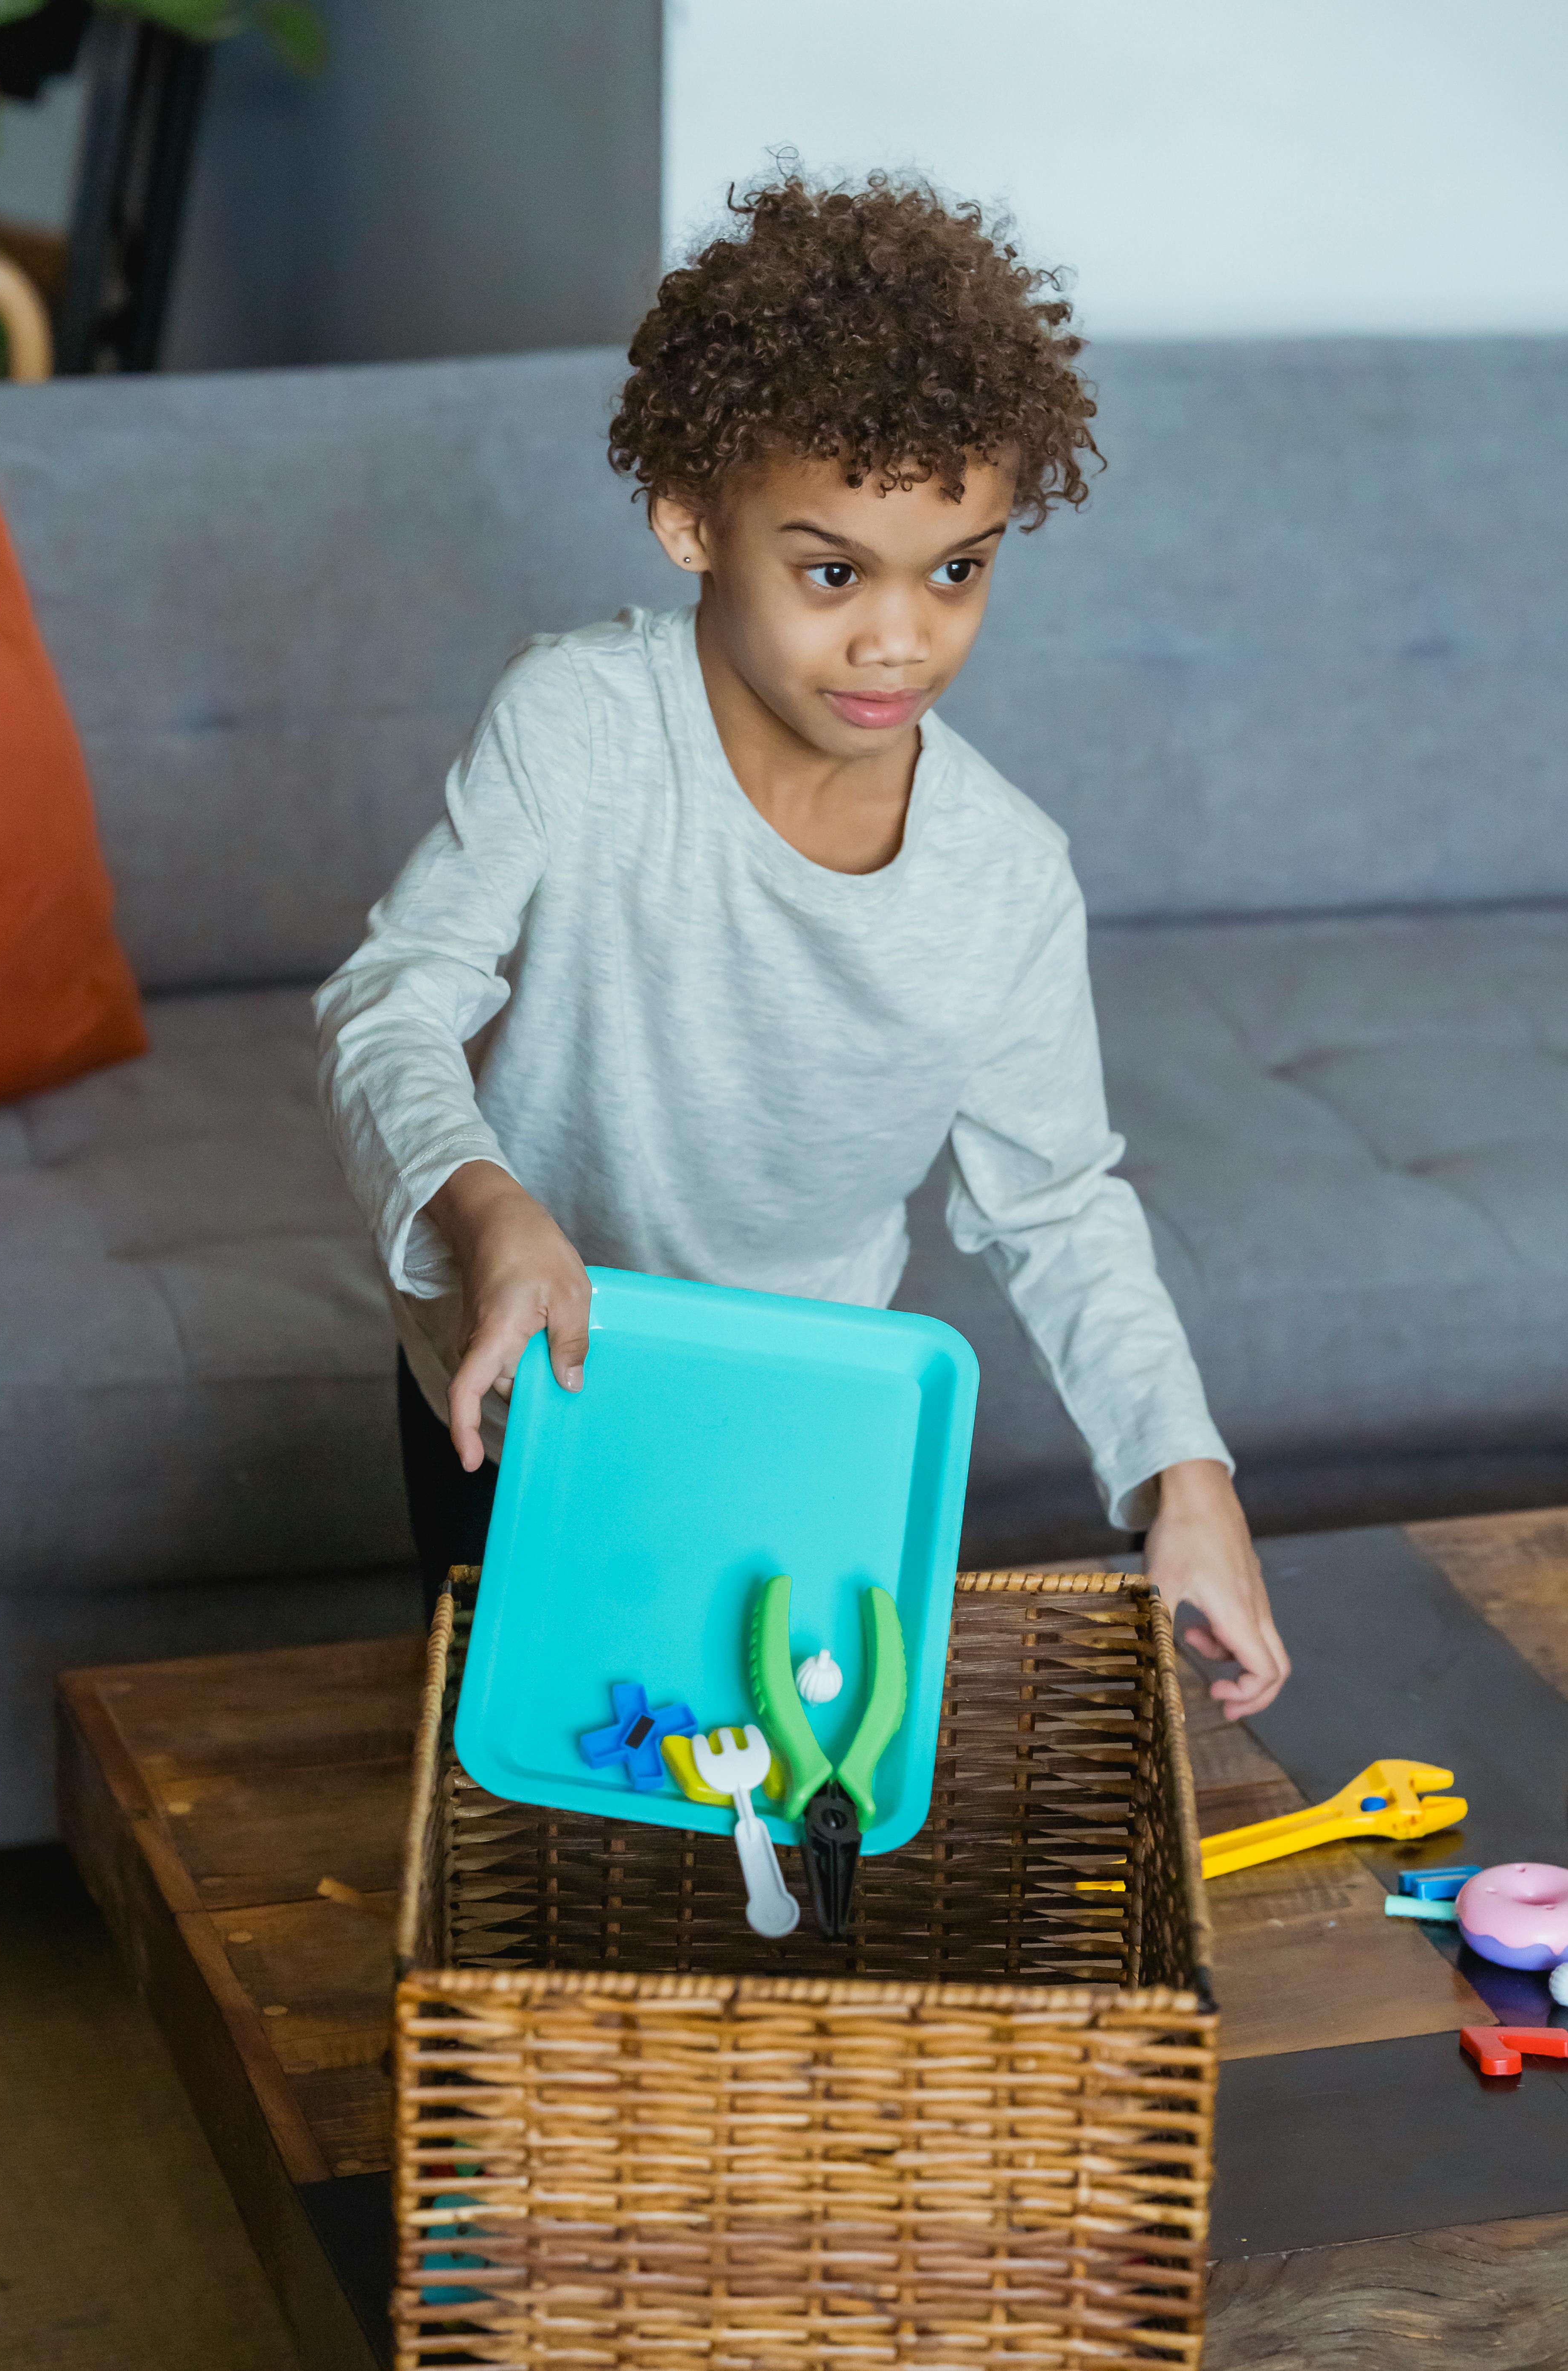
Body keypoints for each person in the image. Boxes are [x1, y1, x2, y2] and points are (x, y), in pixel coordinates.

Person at [315, 174, 1289, 1719]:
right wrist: (489, 1208)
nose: (902, 639)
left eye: (957, 568)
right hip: (522, 1382)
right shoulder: (575, 726)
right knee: (530, 1775)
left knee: (771, 1785)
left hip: (803, 1415)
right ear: (692, 522)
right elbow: (388, 1010)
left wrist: (1186, 1476)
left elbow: (1053, 1200)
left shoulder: (1008, 875)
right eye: (834, 572)